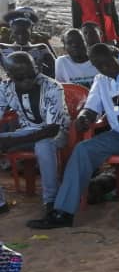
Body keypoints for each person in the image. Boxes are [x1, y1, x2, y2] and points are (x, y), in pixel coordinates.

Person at [28, 43, 119, 231]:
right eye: (99, 65)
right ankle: (63, 212)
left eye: (107, 62)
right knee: (83, 150)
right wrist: (83, 118)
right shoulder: (101, 81)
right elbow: (91, 108)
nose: (105, 68)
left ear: (115, 56)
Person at [0, 53, 69, 215]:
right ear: (9, 76)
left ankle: (51, 200)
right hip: (28, 131)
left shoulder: (52, 86)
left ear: (36, 69)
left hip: (57, 132)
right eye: (20, 78)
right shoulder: (4, 87)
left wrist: (12, 141)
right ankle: (1, 203)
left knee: (44, 145)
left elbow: (52, 129)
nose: (27, 81)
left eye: (31, 75)